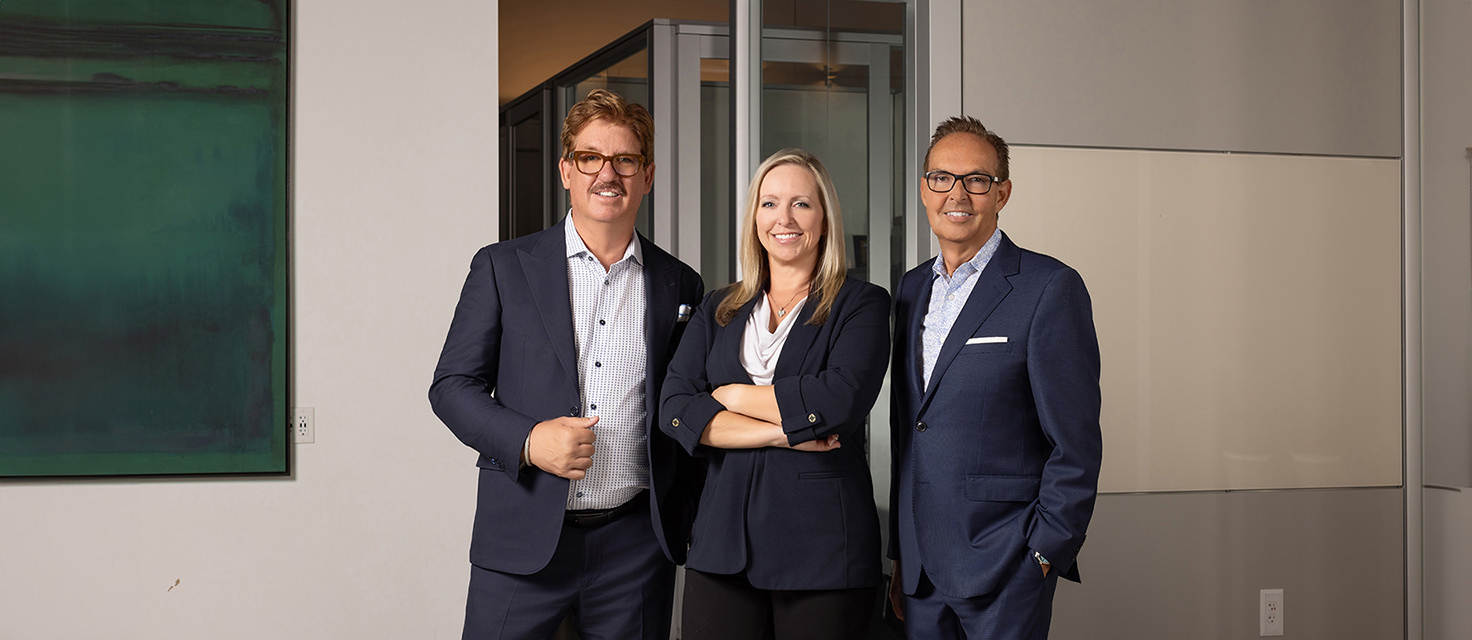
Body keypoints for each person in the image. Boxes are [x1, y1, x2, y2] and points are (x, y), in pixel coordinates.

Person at [429, 89, 704, 640]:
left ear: (647, 175)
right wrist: (530, 440)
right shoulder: (503, 268)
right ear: (566, 171)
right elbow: (451, 386)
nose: (609, 173)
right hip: (522, 537)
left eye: (625, 160)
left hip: (635, 547)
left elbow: (685, 404)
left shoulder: (681, 283)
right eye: (590, 158)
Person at [660, 149, 891, 640]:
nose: (783, 219)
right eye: (769, 204)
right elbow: (676, 409)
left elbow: (837, 402)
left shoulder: (861, 304)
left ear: (824, 218)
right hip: (720, 548)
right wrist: (784, 435)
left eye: (801, 204)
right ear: (754, 218)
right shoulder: (717, 308)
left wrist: (732, 396)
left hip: (823, 553)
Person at [887, 116, 1102, 639]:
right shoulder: (911, 289)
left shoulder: (1048, 287)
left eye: (977, 180)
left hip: (1007, 566)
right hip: (920, 572)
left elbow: (1074, 446)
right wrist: (900, 555)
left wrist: (1043, 556)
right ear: (924, 188)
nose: (957, 194)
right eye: (942, 178)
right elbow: (910, 431)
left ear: (1002, 192)